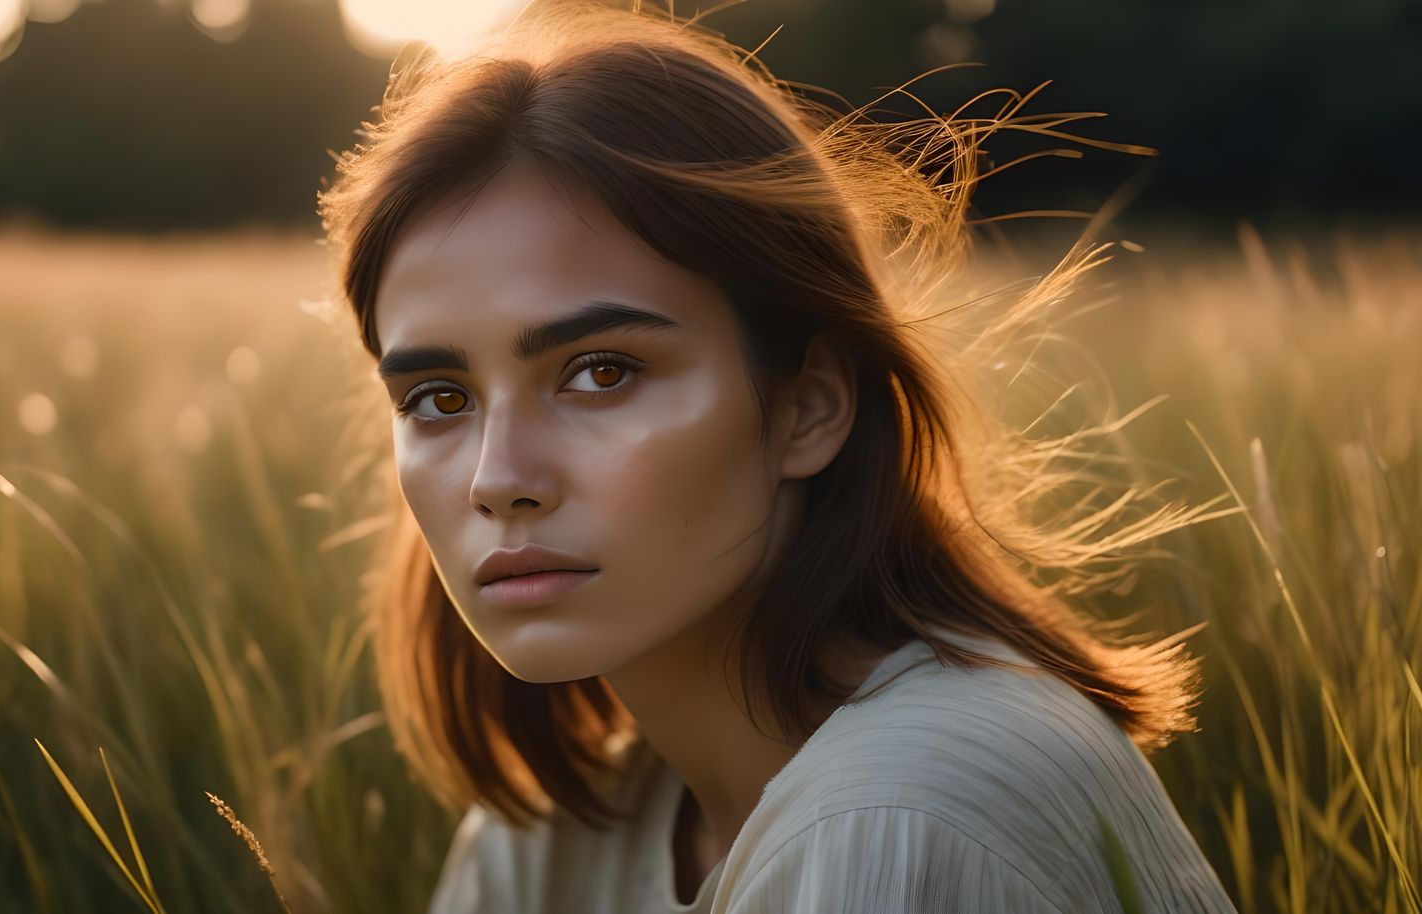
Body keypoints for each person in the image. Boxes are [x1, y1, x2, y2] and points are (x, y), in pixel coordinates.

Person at [318, 1, 1240, 910]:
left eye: (601, 373)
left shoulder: (900, 815)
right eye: (439, 399)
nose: (498, 480)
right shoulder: (552, 836)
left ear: (808, 407)